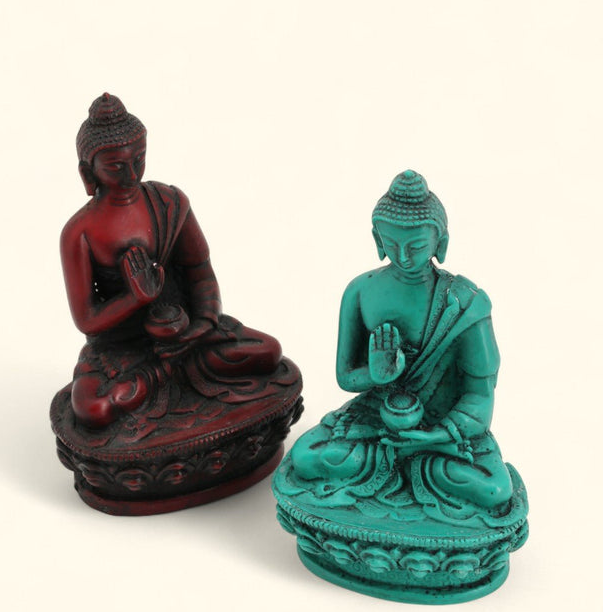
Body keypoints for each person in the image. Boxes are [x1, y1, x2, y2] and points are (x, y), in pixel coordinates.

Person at [289, 169, 513, 511]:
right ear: (377, 239)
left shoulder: (465, 304)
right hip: (377, 415)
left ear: (441, 242)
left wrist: (435, 435)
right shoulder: (360, 291)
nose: (404, 256)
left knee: (494, 489)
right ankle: (411, 468)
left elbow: (480, 396)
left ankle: (406, 464)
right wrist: (377, 375)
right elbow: (346, 377)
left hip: (443, 425)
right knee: (305, 457)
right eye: (392, 244)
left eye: (417, 246)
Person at [61, 93, 281, 428]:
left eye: (139, 159)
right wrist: (135, 298)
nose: (131, 174)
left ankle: (170, 368)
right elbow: (87, 319)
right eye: (116, 166)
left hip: (184, 330)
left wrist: (203, 323)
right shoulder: (79, 232)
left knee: (267, 351)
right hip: (121, 347)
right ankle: (168, 371)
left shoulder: (169, 201)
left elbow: (200, 272)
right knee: (93, 409)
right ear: (87, 171)